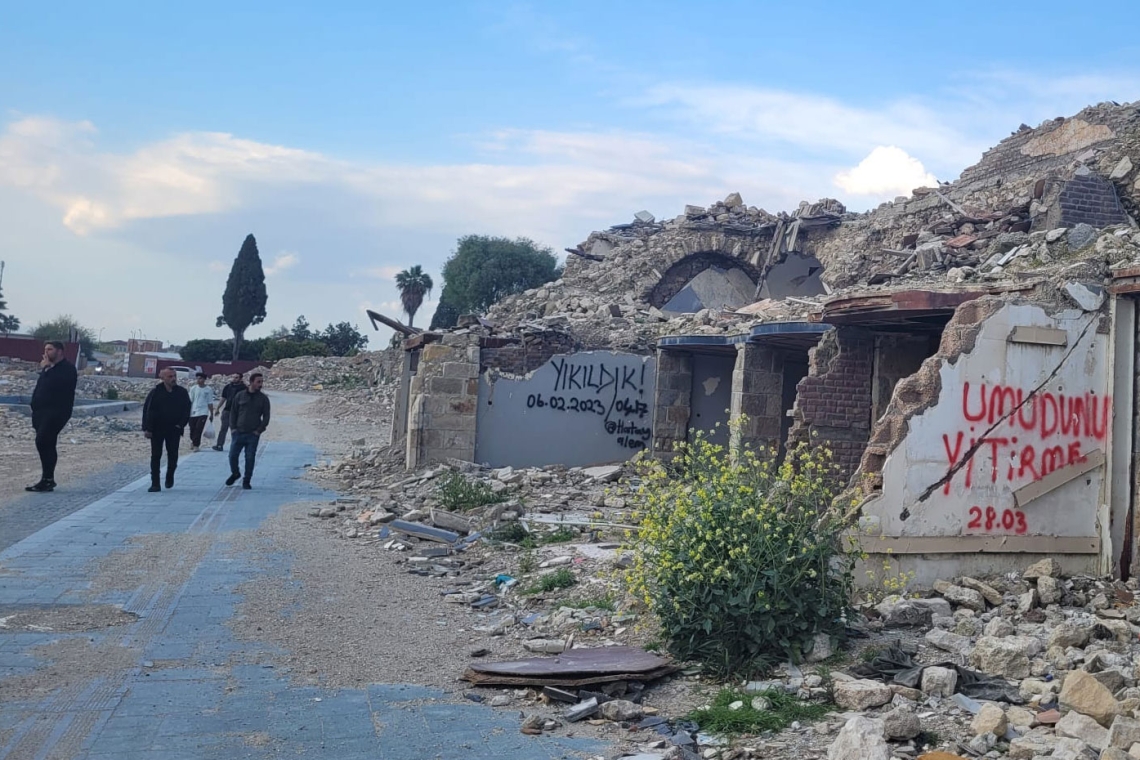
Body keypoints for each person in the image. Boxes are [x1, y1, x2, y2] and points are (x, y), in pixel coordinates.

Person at [25, 341, 78, 493]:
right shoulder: (48, 368)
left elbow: (57, 384)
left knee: (42, 440)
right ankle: (47, 479)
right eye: (45, 349)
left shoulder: (67, 369)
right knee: (47, 443)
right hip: (40, 411)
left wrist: (47, 368)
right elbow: (42, 386)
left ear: (59, 351)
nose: (46, 352)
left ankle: (47, 479)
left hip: (57, 411)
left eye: (50, 349)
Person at [142, 367, 191, 492]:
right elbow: (148, 411)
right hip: (157, 429)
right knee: (156, 456)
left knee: (173, 455)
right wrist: (147, 428)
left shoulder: (182, 392)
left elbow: (186, 410)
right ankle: (155, 483)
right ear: (162, 378)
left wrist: (181, 425)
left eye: (174, 376)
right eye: (170, 376)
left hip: (174, 429)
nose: (173, 378)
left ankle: (170, 475)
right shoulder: (155, 392)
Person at [226, 372, 270, 490]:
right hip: (238, 433)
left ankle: (247, 480)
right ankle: (235, 473)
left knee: (250, 458)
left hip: (252, 434)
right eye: (258, 382)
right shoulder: (240, 396)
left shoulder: (263, 399)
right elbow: (233, 413)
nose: (260, 384)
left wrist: (259, 430)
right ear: (251, 382)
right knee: (232, 456)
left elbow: (266, 417)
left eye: (261, 382)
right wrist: (233, 429)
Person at [212, 372, 247, 451]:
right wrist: (218, 408)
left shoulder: (244, 388)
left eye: (236, 377)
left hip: (238, 412)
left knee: (236, 430)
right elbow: (223, 398)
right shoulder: (228, 387)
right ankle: (219, 445)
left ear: (241, 378)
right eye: (233, 377)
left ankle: (237, 446)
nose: (234, 379)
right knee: (223, 428)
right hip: (227, 411)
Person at [187, 372, 215, 451]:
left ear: (204, 379)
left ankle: (196, 445)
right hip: (193, 412)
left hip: (203, 412)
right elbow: (190, 400)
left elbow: (210, 402)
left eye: (200, 378)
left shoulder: (208, 390)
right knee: (192, 429)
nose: (198, 380)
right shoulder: (193, 388)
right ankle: (193, 441)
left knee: (198, 428)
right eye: (197, 378)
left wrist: (211, 413)